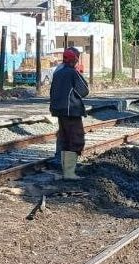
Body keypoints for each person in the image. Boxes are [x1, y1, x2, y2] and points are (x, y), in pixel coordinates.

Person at [49, 47, 90, 180]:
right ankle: (69, 173)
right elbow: (84, 90)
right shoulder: (72, 73)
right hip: (71, 111)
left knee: (65, 139)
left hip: (59, 111)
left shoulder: (57, 72)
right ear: (75, 60)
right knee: (75, 139)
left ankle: (66, 171)